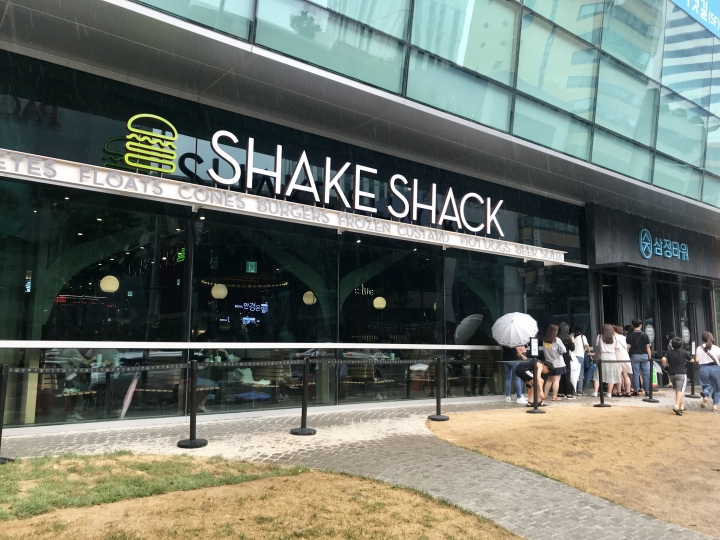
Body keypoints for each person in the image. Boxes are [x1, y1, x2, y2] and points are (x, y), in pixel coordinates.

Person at [662, 337, 693, 416]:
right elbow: (692, 360)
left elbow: (663, 359)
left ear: (672, 345)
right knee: (680, 390)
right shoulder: (683, 352)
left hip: (672, 374)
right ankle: (676, 406)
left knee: (678, 390)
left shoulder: (669, 352)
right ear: (681, 345)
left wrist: (666, 366)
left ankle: (681, 407)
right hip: (681, 374)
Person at [593, 324, 622, 397]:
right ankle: (609, 393)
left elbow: (598, 348)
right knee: (611, 375)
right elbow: (616, 349)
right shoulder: (614, 338)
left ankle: (595, 392)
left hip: (603, 356)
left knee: (598, 374)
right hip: (612, 357)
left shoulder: (599, 336)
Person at [626, 318, 652, 396]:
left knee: (635, 373)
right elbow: (648, 347)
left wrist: (627, 356)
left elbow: (628, 347)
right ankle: (647, 390)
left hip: (634, 356)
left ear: (633, 325)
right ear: (641, 325)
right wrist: (649, 357)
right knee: (646, 374)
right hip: (644, 355)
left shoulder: (630, 335)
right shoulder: (645, 335)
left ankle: (636, 390)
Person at [696, 331, 720, 412]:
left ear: (703, 339)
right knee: (717, 387)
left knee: (706, 384)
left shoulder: (699, 348)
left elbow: (697, 360)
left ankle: (706, 396)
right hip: (715, 368)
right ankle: (715, 406)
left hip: (703, 368)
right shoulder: (717, 348)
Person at [542, 324, 567, 401]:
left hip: (548, 363)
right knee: (556, 379)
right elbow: (564, 350)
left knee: (549, 379)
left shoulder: (545, 340)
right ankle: (554, 396)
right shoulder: (557, 340)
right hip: (558, 363)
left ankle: (545, 395)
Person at [558, 322, 577, 399]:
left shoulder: (557, 338)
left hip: (559, 358)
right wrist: (572, 340)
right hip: (566, 358)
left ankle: (560, 392)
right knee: (567, 375)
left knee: (560, 376)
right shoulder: (568, 339)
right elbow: (572, 348)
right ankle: (568, 393)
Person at [614, 325, 633, 397]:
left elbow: (615, 348)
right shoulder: (624, 337)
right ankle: (628, 391)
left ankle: (619, 391)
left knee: (619, 374)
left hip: (618, 356)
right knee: (626, 375)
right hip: (625, 356)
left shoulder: (614, 337)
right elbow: (627, 348)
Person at [573, 326, 592, 395]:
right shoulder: (582, 336)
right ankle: (579, 390)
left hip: (574, 357)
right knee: (581, 373)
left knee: (575, 374)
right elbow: (586, 345)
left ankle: (574, 390)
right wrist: (589, 352)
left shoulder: (574, 338)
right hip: (580, 357)